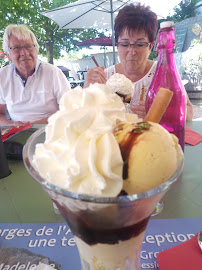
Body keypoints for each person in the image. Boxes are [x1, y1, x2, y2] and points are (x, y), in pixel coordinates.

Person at [84, 3, 193, 121]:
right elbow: (85, 117)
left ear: (150, 46)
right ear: (117, 45)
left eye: (140, 44)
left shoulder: (163, 74)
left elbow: (189, 112)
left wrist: (159, 111)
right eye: (125, 44)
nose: (132, 52)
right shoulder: (104, 78)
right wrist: (87, 89)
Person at [0, 24, 71, 126]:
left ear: (36, 50)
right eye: (16, 48)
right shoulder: (2, 76)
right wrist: (13, 126)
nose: (24, 52)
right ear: (8, 55)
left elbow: (70, 109)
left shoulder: (53, 73)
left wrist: (30, 126)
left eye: (28, 46)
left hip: (51, 131)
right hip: (16, 135)